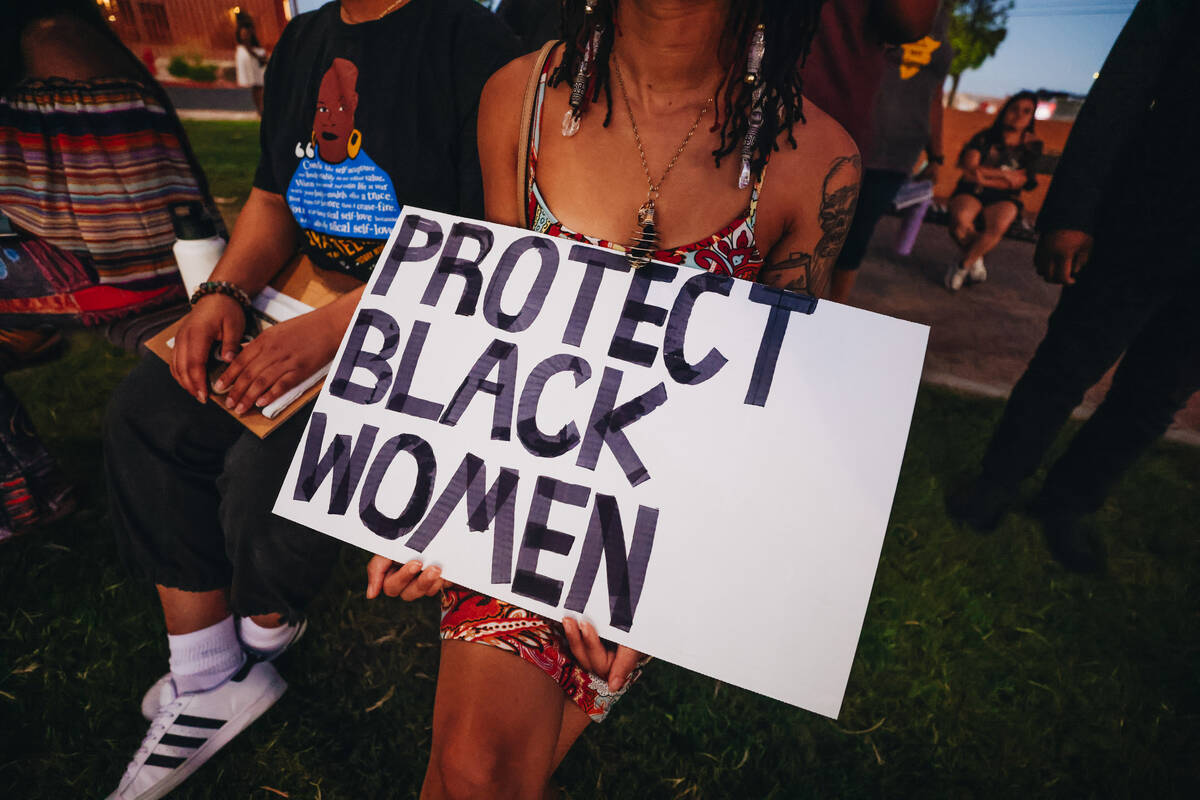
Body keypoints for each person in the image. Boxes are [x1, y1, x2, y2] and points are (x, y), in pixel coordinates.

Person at [363, 1, 861, 796]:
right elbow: (498, 325)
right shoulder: (518, 98)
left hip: (650, 522)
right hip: (516, 488)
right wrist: (432, 506)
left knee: (476, 770)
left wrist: (668, 595)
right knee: (478, 768)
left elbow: (765, 411)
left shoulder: (815, 161)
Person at [102, 1, 517, 797]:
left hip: (420, 324)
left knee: (269, 471)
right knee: (147, 410)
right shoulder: (303, 37)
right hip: (296, 301)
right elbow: (272, 195)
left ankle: (262, 632)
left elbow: (488, 241)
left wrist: (335, 329)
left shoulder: (473, 42)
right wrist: (223, 290)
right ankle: (209, 673)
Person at [946, 0, 1200, 573]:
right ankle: (997, 481)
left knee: (1157, 396)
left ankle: (1070, 502)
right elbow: (1126, 83)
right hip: (1150, 216)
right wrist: (1072, 211)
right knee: (1068, 363)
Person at [0, 0, 222, 542]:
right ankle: (26, 488)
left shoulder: (56, 43)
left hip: (119, 267)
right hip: (92, 256)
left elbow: (132, 229)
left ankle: (29, 492)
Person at [828, 1, 952, 303]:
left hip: (900, 150)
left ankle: (829, 313)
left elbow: (934, 94)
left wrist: (936, 154)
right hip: (849, 133)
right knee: (821, 227)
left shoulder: (943, 18)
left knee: (858, 234)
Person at [944, 90, 1043, 291]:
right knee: (960, 221)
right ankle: (976, 258)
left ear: (1031, 117)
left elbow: (1022, 182)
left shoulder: (1033, 146)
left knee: (999, 224)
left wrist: (986, 175)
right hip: (972, 190)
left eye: (1027, 111)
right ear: (1005, 111)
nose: (1019, 115)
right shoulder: (985, 137)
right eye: (1014, 109)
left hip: (1004, 197)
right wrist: (1006, 175)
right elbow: (970, 168)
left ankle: (963, 265)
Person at [234, 20, 268, 116]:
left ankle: (260, 109)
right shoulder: (245, 45)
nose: (245, 36)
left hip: (255, 65)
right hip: (253, 65)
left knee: (258, 87)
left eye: (246, 33)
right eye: (243, 34)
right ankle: (260, 109)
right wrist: (260, 58)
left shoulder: (252, 44)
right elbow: (250, 52)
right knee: (258, 87)